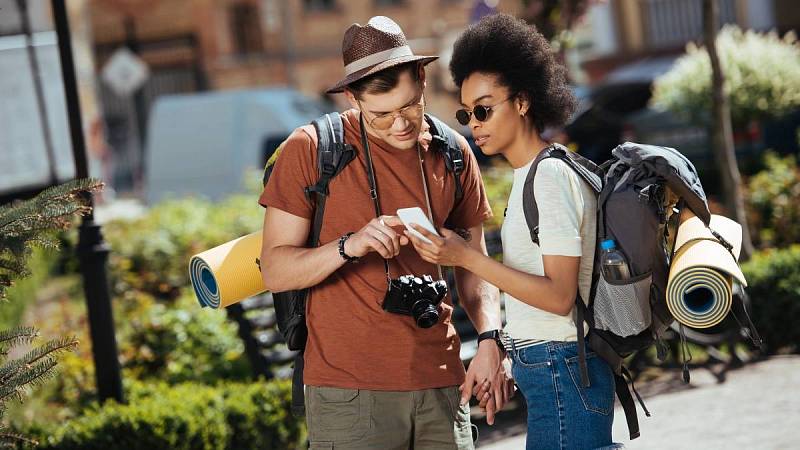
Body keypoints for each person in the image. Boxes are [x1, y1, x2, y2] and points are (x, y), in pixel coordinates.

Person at [259, 16, 509, 449]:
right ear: (352, 99)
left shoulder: (454, 152)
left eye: (411, 106)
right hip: (348, 395)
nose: (400, 125)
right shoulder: (312, 149)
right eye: (381, 115)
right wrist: (350, 246)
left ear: (422, 79)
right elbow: (276, 270)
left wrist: (490, 338)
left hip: (442, 386)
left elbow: (476, 267)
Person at [406, 14, 619, 450]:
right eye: (467, 113)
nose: (473, 123)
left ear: (522, 101)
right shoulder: (532, 174)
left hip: (563, 370)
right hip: (552, 370)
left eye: (484, 109)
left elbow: (559, 296)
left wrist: (465, 257)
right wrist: (503, 346)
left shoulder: (550, 177)